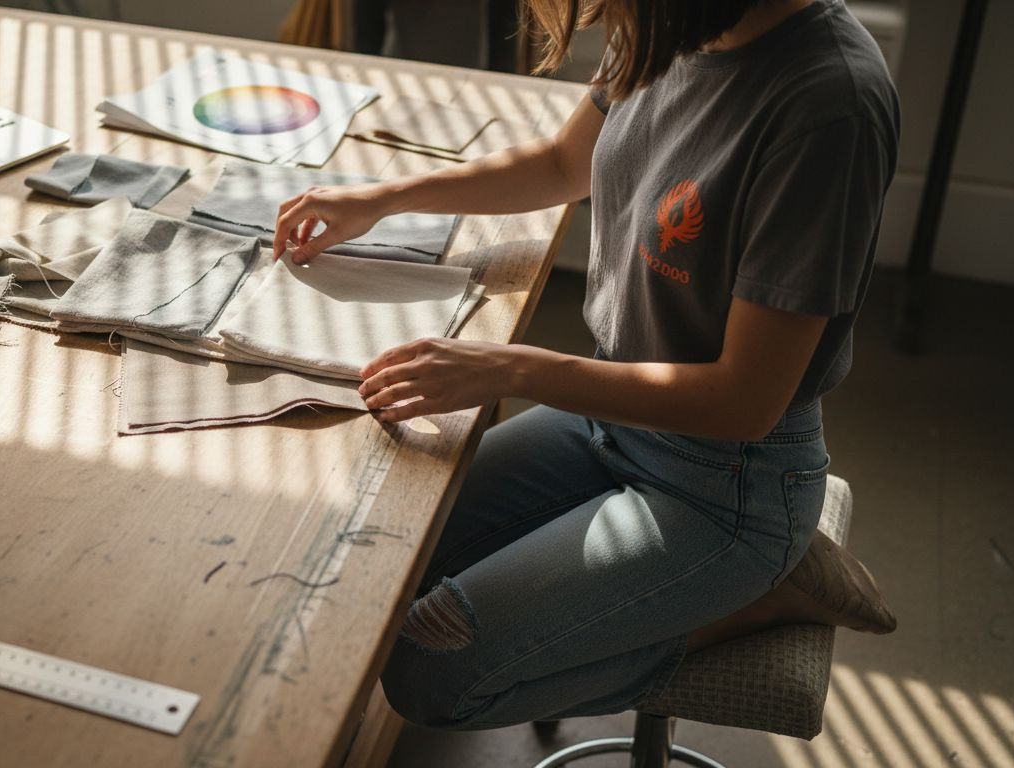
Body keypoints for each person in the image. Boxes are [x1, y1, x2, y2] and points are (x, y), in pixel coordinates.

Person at [273, 0, 900, 728]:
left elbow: (744, 400)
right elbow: (564, 162)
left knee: (426, 667)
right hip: (611, 417)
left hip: (727, 484)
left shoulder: (830, 106)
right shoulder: (675, 24)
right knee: (379, 556)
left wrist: (510, 370)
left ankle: (758, 595)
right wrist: (382, 200)